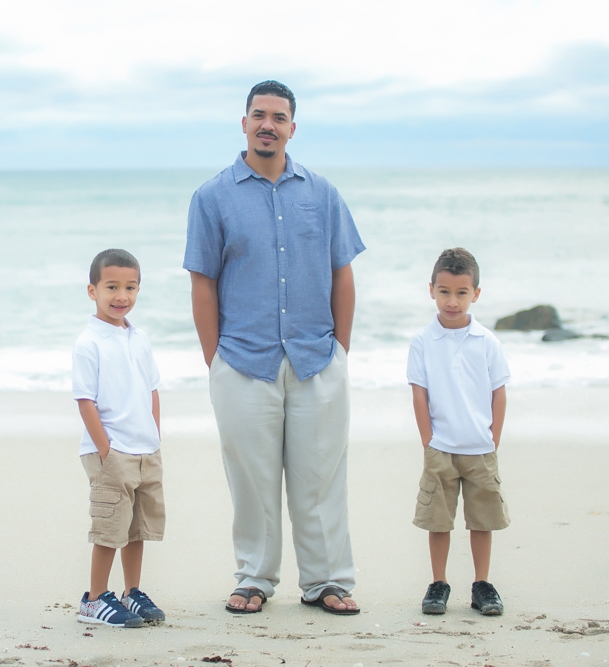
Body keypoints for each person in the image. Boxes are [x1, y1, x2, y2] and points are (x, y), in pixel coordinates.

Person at [184, 81, 366, 615]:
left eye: (279, 116)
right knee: (252, 481)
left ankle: (327, 581)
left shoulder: (323, 193)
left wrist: (341, 353)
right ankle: (253, 578)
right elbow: (203, 284)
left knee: (321, 479)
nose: (268, 124)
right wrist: (215, 360)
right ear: (244, 123)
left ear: (292, 126)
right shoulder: (212, 197)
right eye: (259, 115)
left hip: (317, 358)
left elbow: (343, 274)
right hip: (243, 361)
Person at [407, 247, 511, 616]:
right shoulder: (422, 341)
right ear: (432, 289)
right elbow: (419, 393)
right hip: (441, 447)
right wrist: (428, 439)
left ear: (475, 294)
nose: (452, 301)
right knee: (439, 518)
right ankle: (439, 583)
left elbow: (499, 392)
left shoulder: (487, 342)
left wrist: (493, 437)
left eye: (461, 293)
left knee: (483, 519)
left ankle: (482, 584)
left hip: (480, 447)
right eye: (445, 292)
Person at [72, 248, 166, 628]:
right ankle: (94, 599)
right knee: (109, 529)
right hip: (111, 451)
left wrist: (154, 437)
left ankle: (131, 591)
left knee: (136, 527)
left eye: (130, 287)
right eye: (112, 287)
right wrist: (106, 450)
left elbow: (153, 390)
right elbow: (85, 400)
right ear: (92, 290)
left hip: (145, 449)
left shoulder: (139, 338)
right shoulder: (88, 342)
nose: (121, 296)